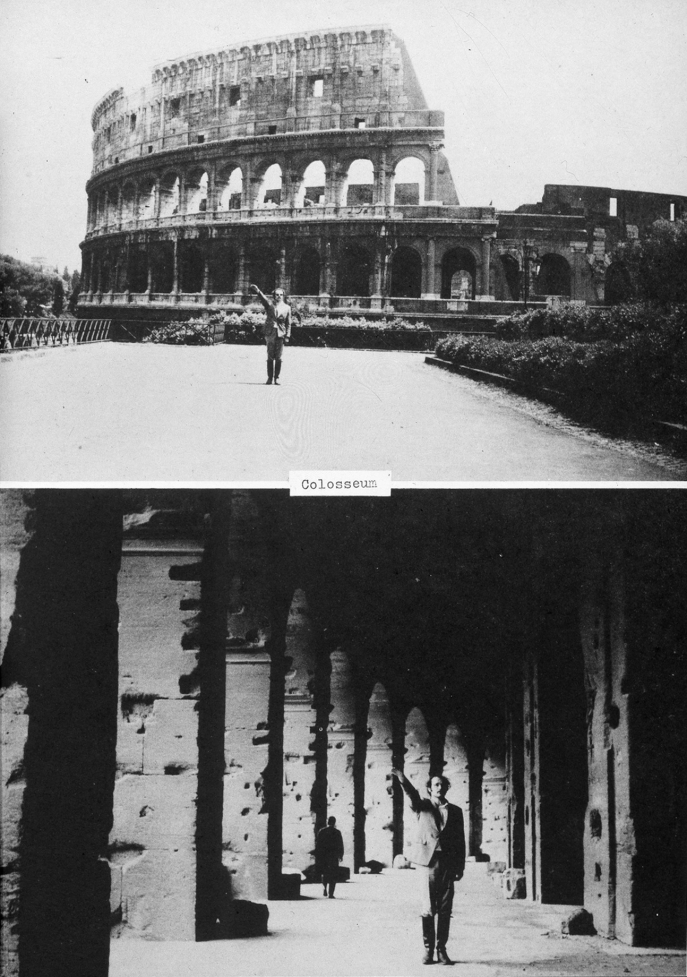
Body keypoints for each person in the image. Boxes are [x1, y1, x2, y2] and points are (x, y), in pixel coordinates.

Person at [392, 767, 465, 965]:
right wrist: (402, 779)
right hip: (427, 862)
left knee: (445, 906)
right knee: (427, 906)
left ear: (447, 787)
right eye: (435, 785)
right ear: (430, 789)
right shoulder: (422, 806)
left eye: (442, 784)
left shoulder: (456, 811)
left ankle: (442, 950)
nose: (439, 787)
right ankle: (428, 950)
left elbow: (460, 841)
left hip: (448, 863)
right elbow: (412, 794)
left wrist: (461, 867)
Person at [248, 283, 291, 384]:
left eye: (281, 295)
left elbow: (288, 323)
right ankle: (269, 378)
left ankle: (277, 378)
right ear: (274, 296)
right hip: (270, 333)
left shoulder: (287, 308)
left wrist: (287, 335)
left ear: (283, 296)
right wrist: (258, 290)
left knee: (279, 357)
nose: (279, 296)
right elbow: (263, 299)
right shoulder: (269, 305)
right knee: (270, 356)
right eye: (277, 295)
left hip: (281, 334)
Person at [316, 816, 344, 898]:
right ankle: (331, 893)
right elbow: (340, 845)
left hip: (324, 856)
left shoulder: (322, 831)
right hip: (333, 856)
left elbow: (318, 844)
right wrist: (341, 855)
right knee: (333, 874)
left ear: (328, 822)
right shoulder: (337, 832)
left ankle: (324, 888)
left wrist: (318, 855)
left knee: (324, 873)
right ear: (334, 822)